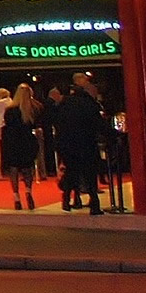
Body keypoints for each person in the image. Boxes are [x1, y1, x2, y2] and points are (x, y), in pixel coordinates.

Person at [57, 73, 105, 215]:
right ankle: (94, 203)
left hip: (69, 143)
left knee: (72, 172)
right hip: (86, 142)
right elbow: (97, 122)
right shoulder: (88, 103)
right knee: (90, 173)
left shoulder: (65, 103)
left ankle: (67, 200)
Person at [2, 83, 41, 209]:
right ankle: (28, 191)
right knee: (28, 169)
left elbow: (7, 127)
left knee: (13, 169)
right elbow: (36, 125)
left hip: (13, 142)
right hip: (27, 141)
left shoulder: (10, 110)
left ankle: (16, 197)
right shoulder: (33, 109)